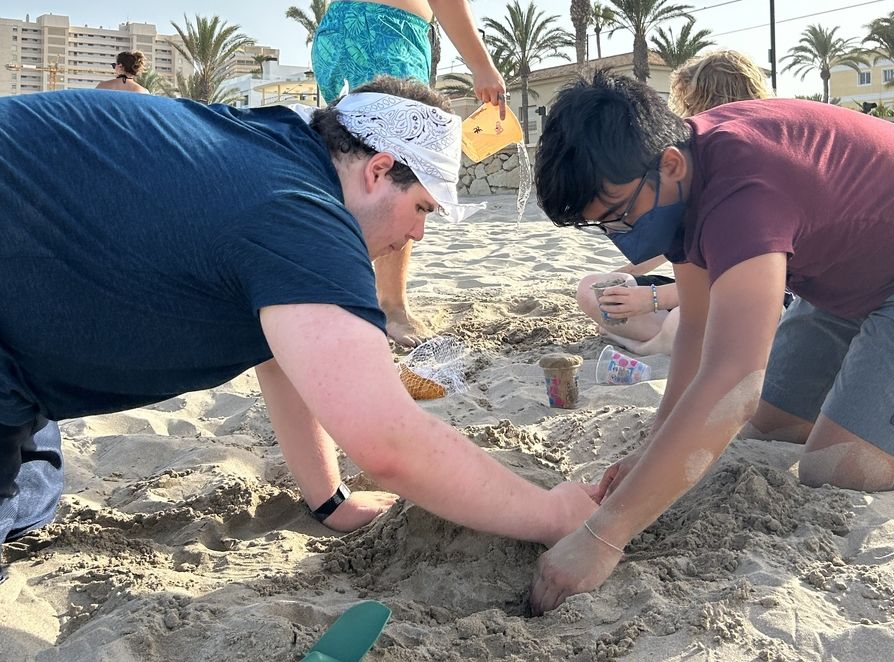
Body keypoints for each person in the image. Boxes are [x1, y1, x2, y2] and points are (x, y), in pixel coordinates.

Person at [0, 77, 597, 581]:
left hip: (24, 340)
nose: (417, 235)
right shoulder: (302, 211)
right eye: (421, 208)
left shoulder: (281, 145)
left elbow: (286, 355)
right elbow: (388, 444)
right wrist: (551, 515)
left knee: (34, 496)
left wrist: (330, 501)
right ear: (379, 170)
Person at [529, 70, 894, 613]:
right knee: (769, 428)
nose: (620, 236)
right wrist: (653, 445)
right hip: (844, 275)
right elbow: (698, 328)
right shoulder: (681, 178)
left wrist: (603, 536)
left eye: (619, 216)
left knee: (840, 469)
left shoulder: (744, 191)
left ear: (669, 164)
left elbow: (734, 383)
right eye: (602, 226)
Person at [312, 0, 521, 347]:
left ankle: (352, 293)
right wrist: (483, 66)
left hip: (350, 30)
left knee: (359, 173)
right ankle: (390, 306)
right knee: (405, 171)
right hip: (379, 32)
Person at [576, 50, 771, 356]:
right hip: (690, 290)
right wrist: (620, 280)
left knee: (687, 320)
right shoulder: (688, 163)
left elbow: (739, 280)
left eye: (692, 104)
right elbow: (668, 243)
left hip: (749, 294)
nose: (686, 114)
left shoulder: (744, 170)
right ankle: (666, 341)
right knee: (592, 288)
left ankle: (642, 345)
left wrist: (652, 298)